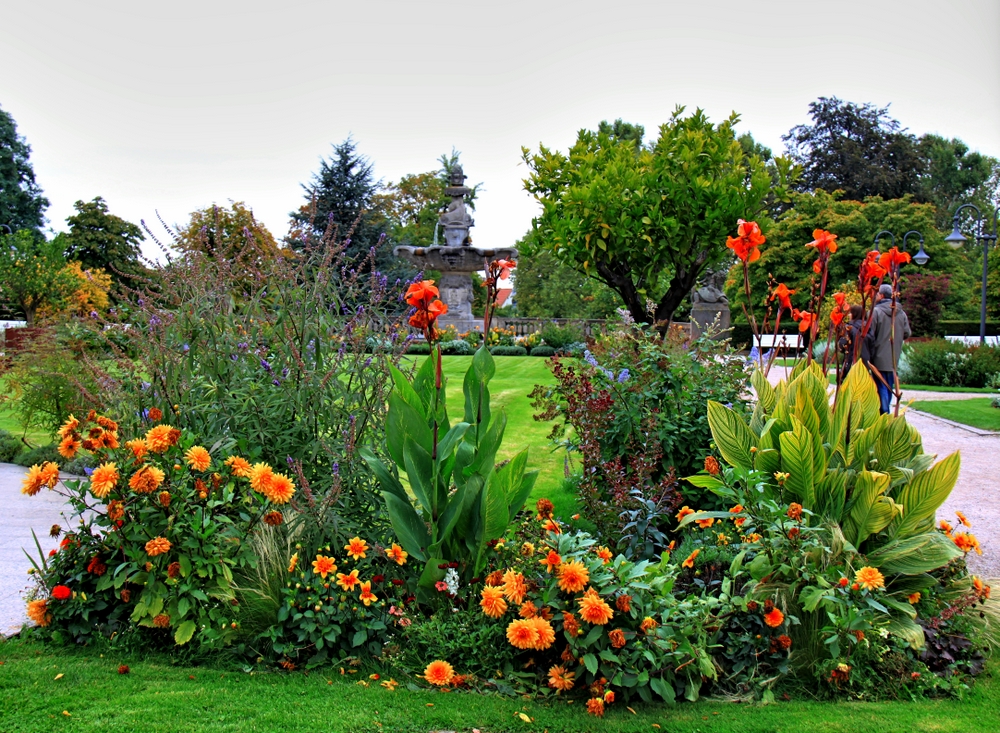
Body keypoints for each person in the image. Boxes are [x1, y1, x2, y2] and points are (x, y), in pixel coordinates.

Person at [869, 284, 911, 414]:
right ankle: (885, 410)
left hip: (878, 355)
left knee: (881, 384)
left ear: (881, 295)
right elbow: (907, 333)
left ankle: (884, 412)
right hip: (893, 355)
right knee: (889, 385)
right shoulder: (901, 313)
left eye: (877, 294)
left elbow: (870, 333)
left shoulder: (876, 312)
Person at [839, 304, 869, 376]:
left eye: (850, 313)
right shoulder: (869, 328)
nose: (849, 315)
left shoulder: (849, 328)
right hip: (866, 362)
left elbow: (842, 345)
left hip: (851, 360)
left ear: (854, 314)